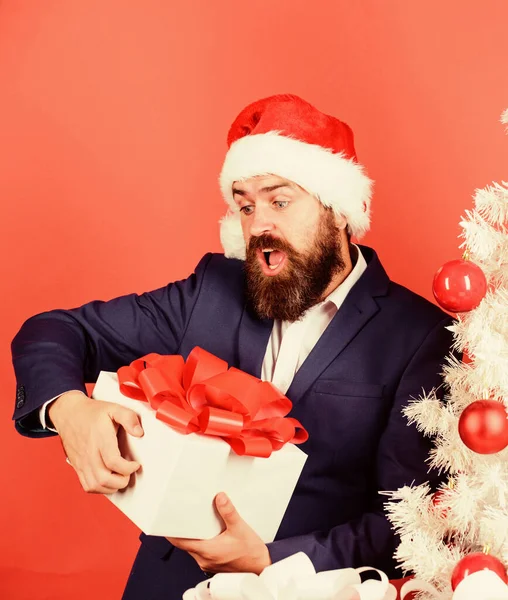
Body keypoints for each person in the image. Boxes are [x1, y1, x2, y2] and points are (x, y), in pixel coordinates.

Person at [11, 94, 453, 599]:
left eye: (279, 200)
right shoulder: (212, 291)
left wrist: (271, 559)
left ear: (337, 211)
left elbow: (408, 519)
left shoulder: (418, 335)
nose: (258, 224)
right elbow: (54, 330)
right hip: (167, 584)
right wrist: (67, 410)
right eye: (245, 205)